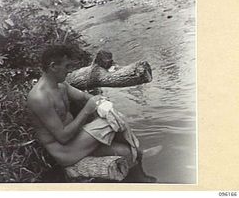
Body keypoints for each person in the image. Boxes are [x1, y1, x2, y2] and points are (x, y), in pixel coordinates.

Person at [28, 45, 159, 168]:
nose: (70, 71)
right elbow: (62, 137)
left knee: (126, 153)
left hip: (78, 140)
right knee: (112, 120)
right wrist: (87, 110)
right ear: (53, 66)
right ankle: (138, 152)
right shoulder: (39, 98)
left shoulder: (61, 85)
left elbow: (84, 97)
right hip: (65, 151)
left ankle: (138, 157)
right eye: (67, 66)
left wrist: (101, 103)